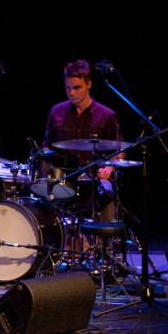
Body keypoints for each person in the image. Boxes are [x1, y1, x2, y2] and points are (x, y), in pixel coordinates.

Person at [41, 58, 125, 224]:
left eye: (77, 88)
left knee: (107, 191)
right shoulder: (56, 112)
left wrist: (109, 167)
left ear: (89, 85)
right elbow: (47, 147)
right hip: (64, 176)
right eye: (68, 88)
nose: (72, 93)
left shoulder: (106, 115)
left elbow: (119, 152)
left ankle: (103, 242)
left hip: (95, 179)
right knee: (44, 190)